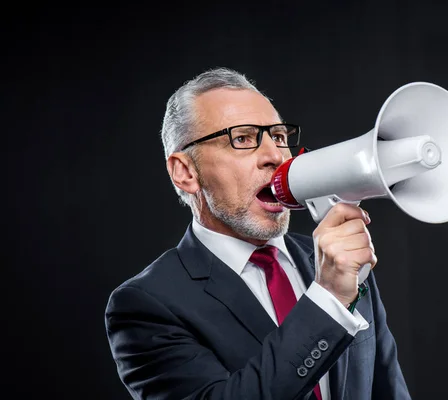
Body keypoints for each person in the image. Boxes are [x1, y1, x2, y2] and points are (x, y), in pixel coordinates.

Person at [104, 67, 411, 400]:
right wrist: (329, 299)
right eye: (243, 138)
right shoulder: (146, 305)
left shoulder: (336, 263)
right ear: (186, 172)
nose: (275, 157)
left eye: (279, 137)